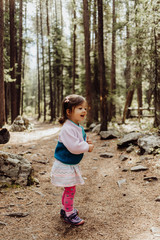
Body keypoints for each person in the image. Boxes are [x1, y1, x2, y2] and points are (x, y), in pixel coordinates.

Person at [51, 94, 94, 226]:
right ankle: (70, 214)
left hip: (69, 164)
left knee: (69, 189)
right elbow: (74, 147)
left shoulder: (76, 127)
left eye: (85, 108)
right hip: (64, 165)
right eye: (80, 108)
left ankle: (65, 210)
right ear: (69, 112)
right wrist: (87, 147)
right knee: (70, 190)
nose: (84, 111)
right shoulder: (67, 128)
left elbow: (78, 140)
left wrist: (86, 141)